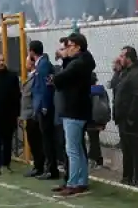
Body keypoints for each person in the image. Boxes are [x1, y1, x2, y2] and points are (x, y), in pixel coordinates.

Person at [52, 32, 96, 197]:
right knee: (77, 148)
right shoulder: (83, 61)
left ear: (77, 47)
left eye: (69, 46)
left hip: (74, 110)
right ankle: (81, 181)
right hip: (78, 110)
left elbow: (61, 77)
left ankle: (74, 183)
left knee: (72, 150)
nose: (66, 50)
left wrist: (56, 74)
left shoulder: (79, 63)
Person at [114, 45, 138, 187]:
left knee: (136, 150)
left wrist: (131, 118)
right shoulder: (124, 73)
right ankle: (127, 176)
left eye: (122, 56)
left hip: (132, 120)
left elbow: (137, 97)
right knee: (126, 149)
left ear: (129, 58)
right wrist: (116, 70)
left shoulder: (136, 73)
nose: (119, 58)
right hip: (123, 119)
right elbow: (115, 87)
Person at [29, 39, 59, 180]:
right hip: (41, 106)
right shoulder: (41, 64)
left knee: (47, 139)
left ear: (32, 51)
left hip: (44, 107)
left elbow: (45, 87)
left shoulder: (43, 65)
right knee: (44, 138)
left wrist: (45, 106)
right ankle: (47, 167)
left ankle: (51, 169)